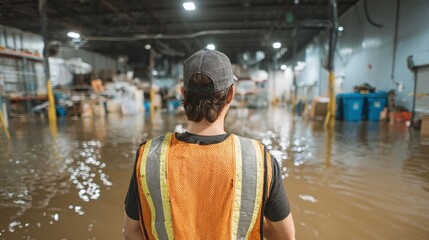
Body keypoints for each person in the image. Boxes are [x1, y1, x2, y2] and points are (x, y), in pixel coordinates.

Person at [123, 48, 296, 240]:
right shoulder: (258, 161)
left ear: (183, 94)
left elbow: (131, 231)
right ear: (231, 94)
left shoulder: (149, 158)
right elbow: (286, 237)